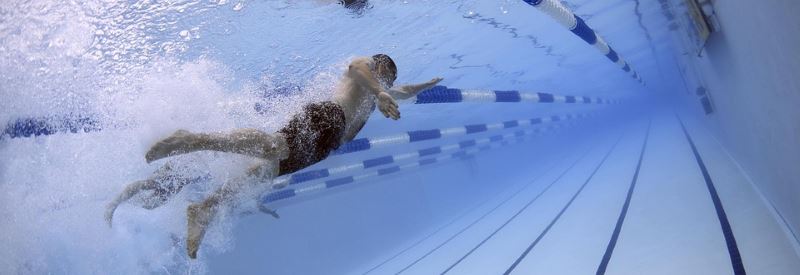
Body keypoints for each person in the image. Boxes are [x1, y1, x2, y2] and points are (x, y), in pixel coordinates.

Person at [108, 54, 442, 259]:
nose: (386, 80)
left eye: (389, 79)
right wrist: (380, 90)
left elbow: (403, 91)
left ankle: (205, 207)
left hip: (323, 147)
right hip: (327, 117)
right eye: (384, 73)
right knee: (273, 147)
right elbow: (357, 67)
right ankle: (191, 140)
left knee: (262, 173)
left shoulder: (380, 94)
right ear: (379, 65)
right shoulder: (367, 73)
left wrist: (425, 85)